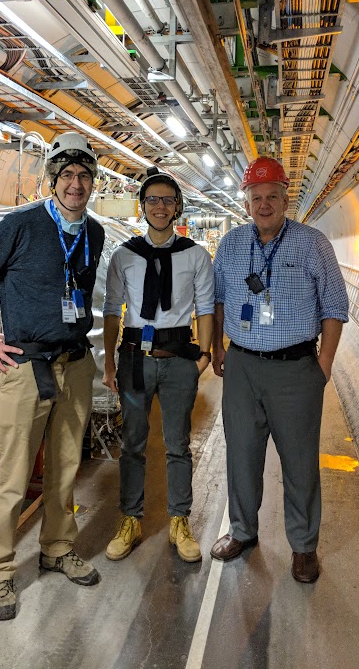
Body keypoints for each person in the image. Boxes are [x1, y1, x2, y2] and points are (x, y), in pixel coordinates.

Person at [0, 131, 105, 620]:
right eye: (67, 175)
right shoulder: (21, 225)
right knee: (12, 476)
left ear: (93, 182)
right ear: (52, 180)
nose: (76, 184)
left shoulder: (94, 232)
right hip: (26, 367)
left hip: (76, 364)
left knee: (64, 469)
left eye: (84, 176)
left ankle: (57, 547)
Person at [210, 157, 349, 582]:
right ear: (247, 203)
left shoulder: (312, 244)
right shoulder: (231, 246)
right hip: (243, 368)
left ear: (286, 199)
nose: (264, 204)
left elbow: (335, 306)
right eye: (257, 197)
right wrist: (217, 348)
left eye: (272, 196)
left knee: (300, 462)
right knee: (242, 457)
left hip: (296, 370)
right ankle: (243, 532)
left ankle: (304, 547)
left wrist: (322, 365)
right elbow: (216, 301)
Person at [102, 168, 214, 563]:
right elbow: (112, 310)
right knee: (132, 444)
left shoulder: (195, 255)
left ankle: (179, 521)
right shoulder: (125, 256)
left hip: (179, 359)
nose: (161, 206)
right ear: (142, 207)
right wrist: (110, 364)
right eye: (153, 200)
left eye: (168, 199)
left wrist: (204, 355)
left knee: (178, 444)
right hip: (134, 359)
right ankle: (130, 519)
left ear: (178, 207)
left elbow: (204, 308)